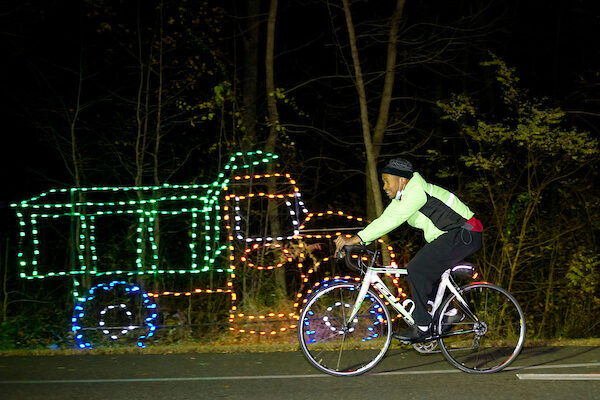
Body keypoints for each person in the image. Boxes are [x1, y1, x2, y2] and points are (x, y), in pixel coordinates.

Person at [334, 158, 483, 342]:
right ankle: (450, 313)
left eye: (387, 181)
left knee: (417, 268)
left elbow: (392, 220)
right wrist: (360, 240)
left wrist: (358, 239)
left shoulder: (417, 192)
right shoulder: (405, 196)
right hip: (453, 235)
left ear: (402, 180)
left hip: (465, 233)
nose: (384, 187)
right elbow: (385, 218)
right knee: (418, 271)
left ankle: (422, 327)